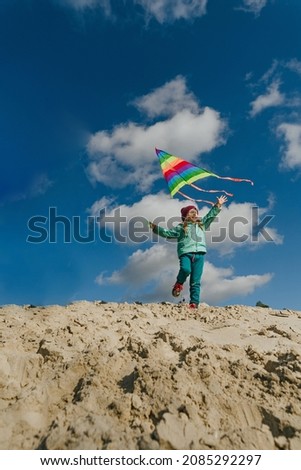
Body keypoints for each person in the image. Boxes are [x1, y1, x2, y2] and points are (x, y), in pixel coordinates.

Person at [149, 195, 227, 308]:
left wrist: (218, 204)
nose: (195, 214)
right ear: (185, 216)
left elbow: (211, 215)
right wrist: (156, 228)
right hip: (186, 253)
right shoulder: (181, 228)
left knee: (195, 281)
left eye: (196, 212)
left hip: (200, 254)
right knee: (185, 269)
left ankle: (194, 303)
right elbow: (168, 233)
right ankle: (179, 283)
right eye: (191, 212)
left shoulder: (202, 225)